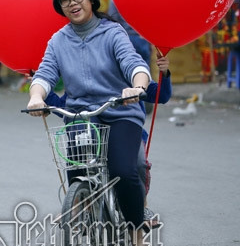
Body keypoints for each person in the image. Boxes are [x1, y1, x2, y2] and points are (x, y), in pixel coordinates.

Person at [26, 0, 156, 246]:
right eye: (65, 0)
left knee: (124, 171)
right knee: (78, 170)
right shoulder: (58, 41)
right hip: (82, 116)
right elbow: (44, 75)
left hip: (120, 111)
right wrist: (36, 97)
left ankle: (138, 235)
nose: (72, 4)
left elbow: (134, 63)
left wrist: (137, 86)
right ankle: (83, 204)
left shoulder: (112, 32)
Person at [45, 53, 172, 230]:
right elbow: (63, 107)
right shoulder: (81, 84)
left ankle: (141, 207)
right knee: (77, 153)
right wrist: (41, 93)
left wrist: (164, 73)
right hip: (93, 132)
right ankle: (77, 204)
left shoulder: (130, 74)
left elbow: (161, 95)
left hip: (126, 131)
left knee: (138, 164)